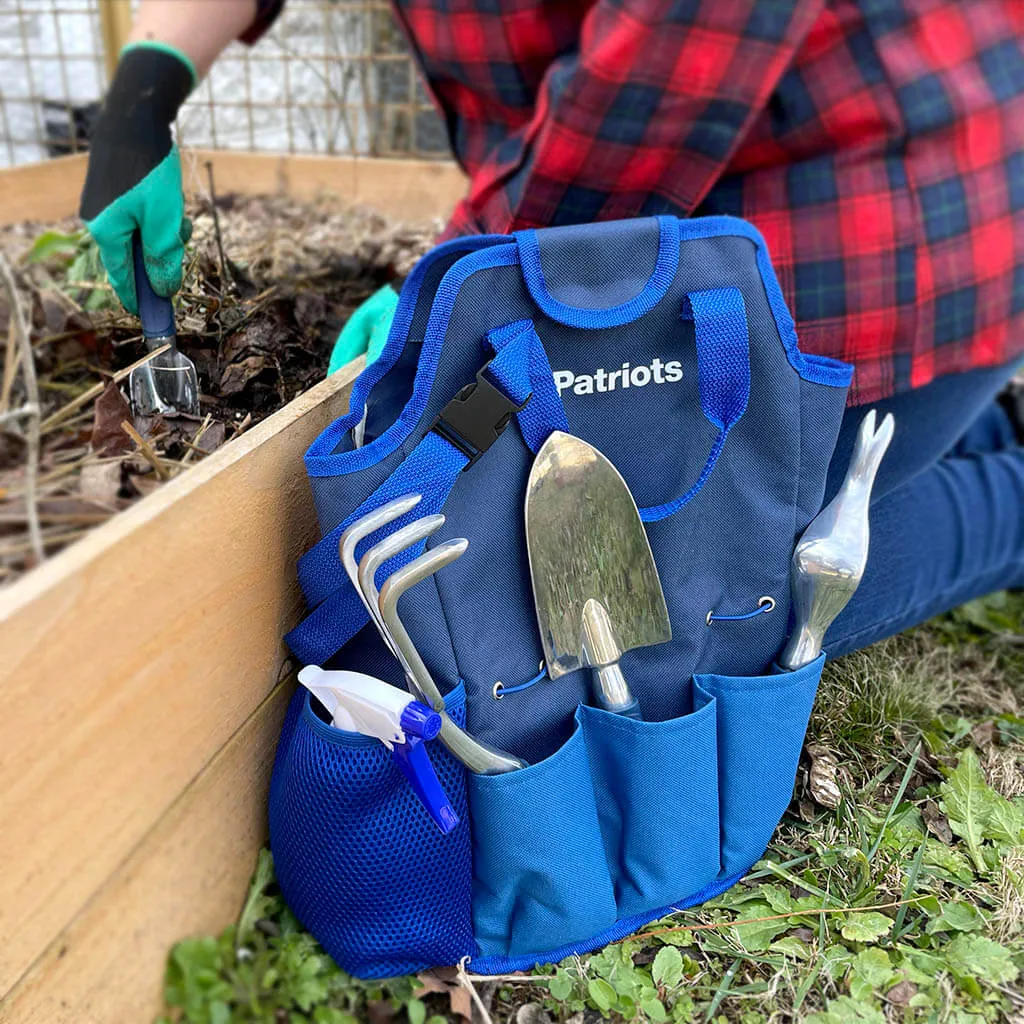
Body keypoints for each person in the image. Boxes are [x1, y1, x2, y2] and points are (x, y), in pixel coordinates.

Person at [79, 0, 1024, 653]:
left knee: (666, 628)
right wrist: (146, 85)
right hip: (662, 219)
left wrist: (466, 277)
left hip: (880, 228)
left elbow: (668, 61)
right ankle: (936, 437)